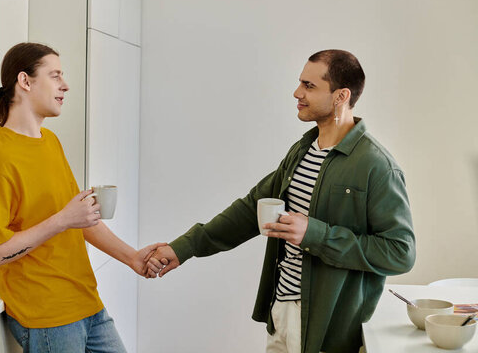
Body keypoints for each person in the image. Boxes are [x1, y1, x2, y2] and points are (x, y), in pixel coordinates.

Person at [146, 50, 416, 353]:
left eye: (309, 86)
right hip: (281, 313)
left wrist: (316, 235)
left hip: (329, 331)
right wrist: (183, 248)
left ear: (341, 96)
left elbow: (400, 252)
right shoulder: (302, 151)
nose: (297, 93)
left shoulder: (376, 166)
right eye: (300, 83)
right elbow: (252, 208)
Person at [0, 42, 163, 353]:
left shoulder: (50, 142)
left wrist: (131, 257)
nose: (66, 85)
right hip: (47, 314)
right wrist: (61, 221)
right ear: (25, 81)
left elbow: (80, 220)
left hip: (86, 301)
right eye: (55, 75)